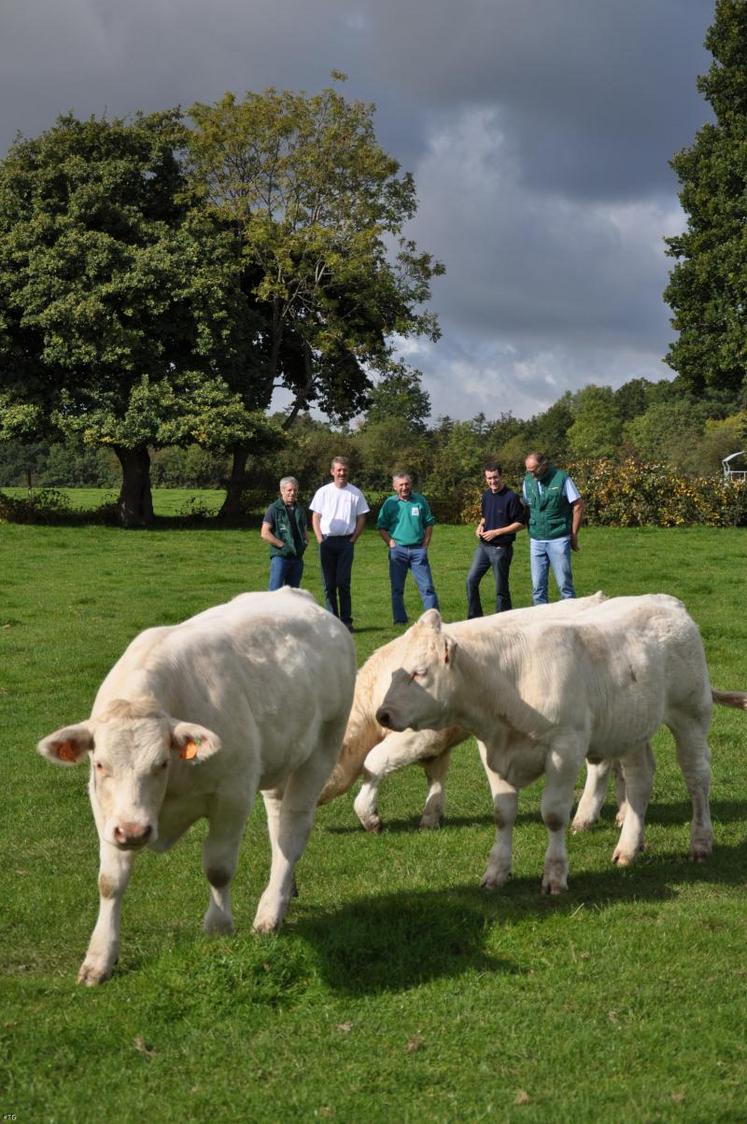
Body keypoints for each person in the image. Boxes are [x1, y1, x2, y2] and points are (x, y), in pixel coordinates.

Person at [309, 457, 369, 631]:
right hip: (327, 541)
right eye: (338, 470)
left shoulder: (355, 493)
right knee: (328, 584)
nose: (342, 473)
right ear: (332, 471)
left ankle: (346, 621)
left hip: (346, 542)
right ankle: (332, 621)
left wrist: (353, 539)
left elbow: (361, 517)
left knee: (343, 582)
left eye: (344, 470)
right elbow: (316, 516)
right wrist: (320, 538)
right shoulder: (323, 492)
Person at [377, 472, 439, 625]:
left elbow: (429, 523)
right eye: (401, 485)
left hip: (418, 550)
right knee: (397, 589)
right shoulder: (390, 503)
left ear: (411, 485)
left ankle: (433, 621)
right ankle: (400, 620)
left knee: (427, 588)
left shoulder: (420, 501)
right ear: (395, 487)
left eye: (407, 484)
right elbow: (381, 526)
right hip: (398, 551)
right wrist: (390, 542)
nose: (404, 487)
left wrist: (425, 544)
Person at [523, 451, 584, 604]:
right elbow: (526, 506)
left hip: (559, 538)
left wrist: (574, 534)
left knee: (565, 585)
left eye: (533, 469)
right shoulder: (527, 481)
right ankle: (541, 622)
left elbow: (578, 505)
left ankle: (571, 621)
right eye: (528, 469)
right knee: (537, 587)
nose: (530, 473)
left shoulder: (562, 478)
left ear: (543, 465)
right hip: (536, 540)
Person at [466, 462, 526, 617]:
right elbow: (485, 517)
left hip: (501, 549)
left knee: (501, 588)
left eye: (495, 477)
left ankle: (503, 619)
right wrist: (480, 526)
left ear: (501, 476)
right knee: (471, 580)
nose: (492, 481)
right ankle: (474, 618)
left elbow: (521, 524)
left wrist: (497, 533)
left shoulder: (511, 497)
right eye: (489, 478)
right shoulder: (486, 495)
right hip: (483, 547)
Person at [260, 476, 308, 590]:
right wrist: (282, 545)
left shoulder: (300, 510)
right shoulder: (274, 509)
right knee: (275, 592)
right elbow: (265, 533)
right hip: (280, 557)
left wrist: (305, 543)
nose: (292, 493)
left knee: (293, 594)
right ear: (282, 490)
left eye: (295, 490)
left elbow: (304, 531)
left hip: (297, 558)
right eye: (289, 490)